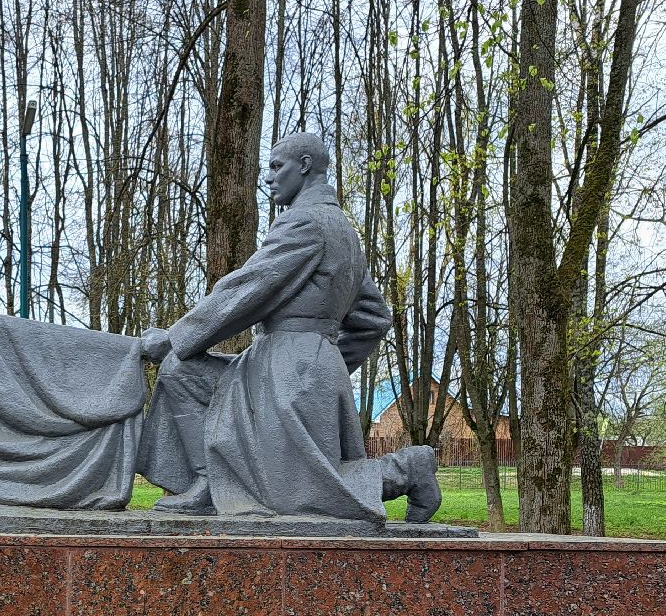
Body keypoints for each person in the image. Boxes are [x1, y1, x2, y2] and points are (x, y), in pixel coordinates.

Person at [137, 132, 441, 522]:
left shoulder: (304, 222)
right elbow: (374, 318)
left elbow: (249, 289)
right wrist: (327, 365)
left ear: (305, 165)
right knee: (182, 371)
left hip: (288, 366)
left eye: (276, 166)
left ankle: (410, 469)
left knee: (298, 490)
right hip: (300, 364)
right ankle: (208, 482)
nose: (268, 177)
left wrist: (175, 337)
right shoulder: (344, 230)